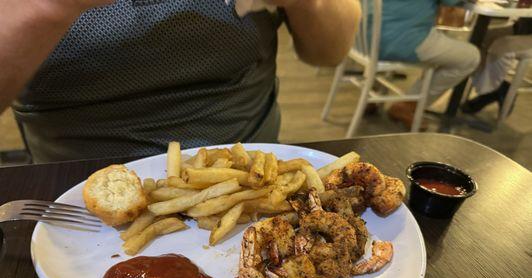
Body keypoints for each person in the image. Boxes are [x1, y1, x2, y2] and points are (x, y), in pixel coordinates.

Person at [0, 0, 360, 163]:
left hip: (251, 172)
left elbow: (329, 52)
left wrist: (311, 4)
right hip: (77, 188)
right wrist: (45, 9)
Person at [375, 0, 481, 128]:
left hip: (364, 34)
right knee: (470, 57)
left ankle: (373, 97)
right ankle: (407, 105)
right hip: (401, 40)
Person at [462, 18, 532, 115]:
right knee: (480, 36)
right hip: (525, 27)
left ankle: (491, 90)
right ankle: (495, 88)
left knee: (503, 46)